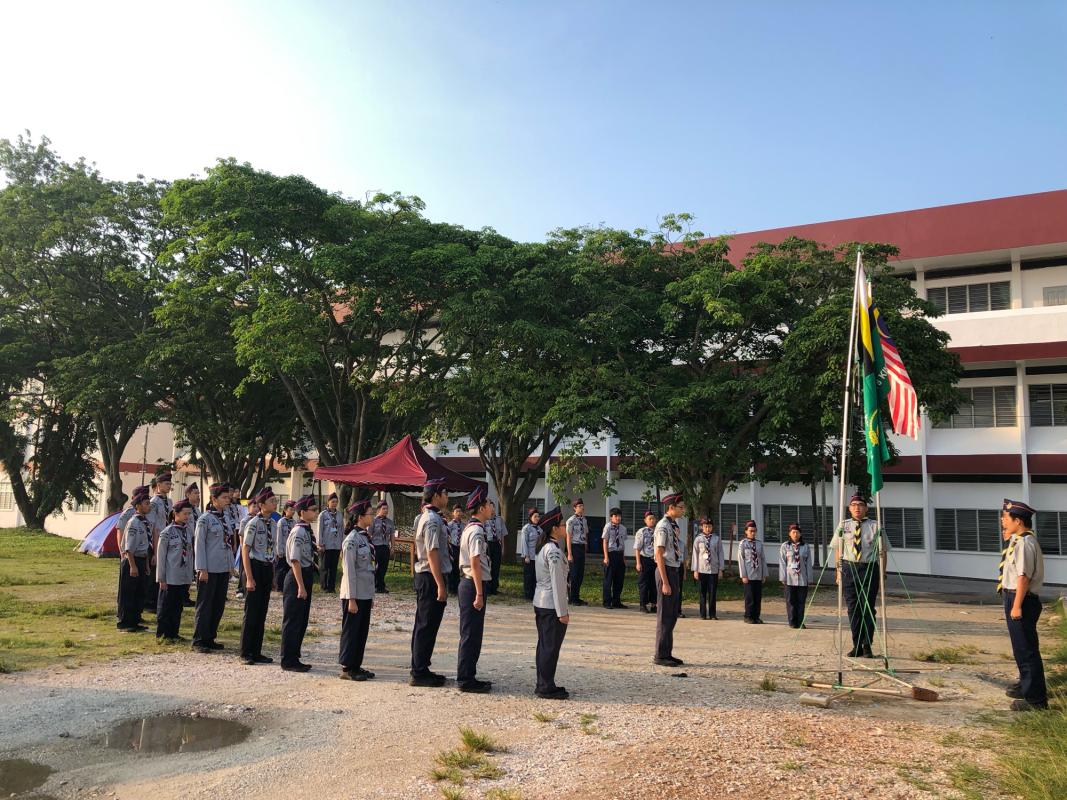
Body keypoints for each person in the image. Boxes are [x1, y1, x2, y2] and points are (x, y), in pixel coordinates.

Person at [998, 499, 1048, 712]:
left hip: (1022, 599)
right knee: (1020, 648)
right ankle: (1025, 685)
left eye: (1006, 518)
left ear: (1018, 521)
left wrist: (1016, 606)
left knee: (1027, 650)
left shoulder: (1025, 544)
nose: (1003, 521)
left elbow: (1023, 578)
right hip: (1014, 596)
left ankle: (1036, 700)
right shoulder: (1018, 540)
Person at [410, 478, 451, 687]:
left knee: (425, 624)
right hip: (430, 576)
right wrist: (440, 585)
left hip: (428, 574)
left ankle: (421, 667)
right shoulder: (433, 520)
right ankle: (419, 672)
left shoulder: (429, 517)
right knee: (426, 624)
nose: (447, 497)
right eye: (445, 493)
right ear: (435, 495)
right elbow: (432, 552)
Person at [832, 494, 885, 657]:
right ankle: (857, 645)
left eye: (861, 505)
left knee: (868, 608)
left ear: (866, 508)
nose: (857, 507)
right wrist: (838, 572)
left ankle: (867, 644)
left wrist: (882, 574)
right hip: (849, 569)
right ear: (849, 508)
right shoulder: (843, 525)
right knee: (853, 609)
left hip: (869, 569)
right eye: (854, 504)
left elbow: (883, 552)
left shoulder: (876, 526)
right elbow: (837, 549)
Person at [457, 486, 493, 693]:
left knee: (472, 632)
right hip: (473, 584)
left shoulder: (471, 528)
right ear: (480, 508)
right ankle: (466, 679)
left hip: (471, 583)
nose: (490, 508)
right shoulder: (476, 530)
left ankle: (468, 675)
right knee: (471, 634)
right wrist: (479, 593)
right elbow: (475, 562)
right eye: (488, 504)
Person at [532, 506, 570, 699]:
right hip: (550, 605)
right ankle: (545, 686)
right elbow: (557, 582)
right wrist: (562, 612)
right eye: (563, 525)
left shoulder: (547, 547)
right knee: (550, 646)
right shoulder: (552, 551)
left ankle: (544, 682)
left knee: (545, 644)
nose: (565, 528)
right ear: (555, 528)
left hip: (543, 602)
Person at [192, 484, 234, 653]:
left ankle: (210, 637)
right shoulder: (205, 519)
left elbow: (229, 544)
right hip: (208, 568)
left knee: (218, 605)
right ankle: (199, 639)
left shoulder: (226, 518)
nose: (227, 500)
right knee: (205, 604)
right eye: (224, 497)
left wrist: (231, 566)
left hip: (222, 567)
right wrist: (201, 568)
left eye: (228, 497)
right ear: (213, 499)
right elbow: (199, 545)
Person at [339, 499, 377, 681]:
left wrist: (370, 595)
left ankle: (356, 665)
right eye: (371, 513)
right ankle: (347, 668)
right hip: (353, 594)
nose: (373, 516)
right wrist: (351, 598)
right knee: (351, 631)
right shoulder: (352, 540)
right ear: (360, 517)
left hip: (364, 592)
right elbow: (349, 571)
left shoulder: (364, 537)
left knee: (361, 631)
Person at [239, 488, 277, 665]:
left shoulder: (273, 524)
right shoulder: (253, 523)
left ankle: (257, 650)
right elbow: (246, 550)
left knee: (262, 612)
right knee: (252, 612)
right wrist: (249, 577)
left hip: (267, 567)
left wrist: (274, 576)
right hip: (254, 567)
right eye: (271, 501)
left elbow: (273, 550)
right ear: (261, 505)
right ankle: (246, 651)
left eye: (275, 500)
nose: (275, 503)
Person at [281, 494, 317, 672]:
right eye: (313, 510)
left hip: (305, 574)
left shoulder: (307, 530)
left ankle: (295, 655)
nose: (316, 512)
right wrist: (301, 586)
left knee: (302, 620)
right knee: (293, 620)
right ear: (302, 512)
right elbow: (294, 560)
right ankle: (288, 659)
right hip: (296, 578)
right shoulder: (298, 532)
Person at [653, 493, 686, 666]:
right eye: (680, 507)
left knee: (672, 614)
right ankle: (660, 654)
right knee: (665, 614)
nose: (683, 510)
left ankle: (667, 652)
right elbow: (659, 554)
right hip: (665, 570)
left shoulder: (673, 525)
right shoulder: (663, 526)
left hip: (673, 570)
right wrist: (665, 582)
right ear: (671, 508)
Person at [156, 500, 194, 642]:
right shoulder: (167, 533)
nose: (187, 517)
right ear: (175, 514)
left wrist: (190, 575)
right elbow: (161, 557)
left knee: (178, 606)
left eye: (189, 514)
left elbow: (190, 554)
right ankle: (163, 633)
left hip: (182, 575)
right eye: (185, 514)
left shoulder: (188, 531)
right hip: (170, 575)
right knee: (166, 605)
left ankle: (174, 632)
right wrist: (161, 578)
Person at [117, 487, 152, 632]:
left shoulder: (145, 522)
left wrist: (147, 565)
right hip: (133, 560)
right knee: (129, 593)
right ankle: (125, 622)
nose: (148, 506)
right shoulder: (134, 523)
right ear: (138, 506)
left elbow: (147, 544)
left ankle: (135, 620)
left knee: (140, 592)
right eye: (146, 504)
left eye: (149, 503)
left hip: (142, 559)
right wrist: (132, 566)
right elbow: (128, 548)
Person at [779, 523, 813, 629]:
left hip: (802, 578)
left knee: (801, 601)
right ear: (789, 533)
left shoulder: (805, 546)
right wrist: (783, 577)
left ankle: (800, 621)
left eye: (797, 532)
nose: (795, 534)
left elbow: (808, 564)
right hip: (789, 578)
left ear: (800, 534)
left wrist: (809, 578)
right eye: (793, 532)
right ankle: (792, 621)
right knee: (791, 601)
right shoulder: (785, 546)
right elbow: (782, 562)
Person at [692, 517, 724, 620]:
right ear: (702, 527)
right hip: (701, 570)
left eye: (709, 526)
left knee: (712, 593)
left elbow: (720, 554)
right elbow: (695, 555)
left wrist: (720, 569)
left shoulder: (716, 539)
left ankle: (712, 614)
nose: (708, 528)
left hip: (713, 569)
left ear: (712, 527)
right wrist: (695, 570)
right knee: (702, 593)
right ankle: (702, 614)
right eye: (706, 526)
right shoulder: (698, 539)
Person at [738, 520, 767, 624]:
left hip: (758, 574)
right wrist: (743, 575)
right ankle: (748, 616)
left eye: (754, 531)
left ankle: (756, 616)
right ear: (746, 531)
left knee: (757, 597)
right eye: (750, 531)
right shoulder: (743, 544)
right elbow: (741, 560)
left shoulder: (759, 544)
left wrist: (764, 574)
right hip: (748, 575)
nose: (753, 533)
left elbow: (763, 559)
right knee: (749, 597)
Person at [601, 508, 628, 609]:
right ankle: (607, 601)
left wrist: (623, 557)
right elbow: (605, 542)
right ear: (611, 517)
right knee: (608, 579)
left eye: (619, 516)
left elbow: (622, 543)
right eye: (616, 516)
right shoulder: (607, 527)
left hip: (619, 554)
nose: (618, 518)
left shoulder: (623, 528)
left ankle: (616, 601)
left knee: (619, 579)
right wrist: (606, 557)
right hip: (610, 554)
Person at [565, 499, 589, 606]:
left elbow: (585, 533)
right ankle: (572, 598)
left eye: (582, 506)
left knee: (580, 574)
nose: (581, 508)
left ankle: (577, 597)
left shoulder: (584, 520)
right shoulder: (571, 521)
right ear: (574, 508)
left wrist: (585, 547)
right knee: (574, 574)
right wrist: (569, 553)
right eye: (579, 506)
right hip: (573, 547)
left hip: (581, 547)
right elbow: (568, 537)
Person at [318, 492, 343, 593]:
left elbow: (341, 529)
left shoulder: (340, 514)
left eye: (336, 502)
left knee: (333, 567)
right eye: (332, 502)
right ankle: (324, 586)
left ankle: (331, 587)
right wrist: (321, 544)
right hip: (326, 544)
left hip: (336, 544)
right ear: (328, 502)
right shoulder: (323, 515)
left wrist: (342, 543)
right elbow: (320, 530)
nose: (334, 504)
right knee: (325, 567)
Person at [634, 510, 658, 614]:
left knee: (655, 584)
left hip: (656, 560)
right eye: (650, 519)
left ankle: (654, 604)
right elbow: (638, 548)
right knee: (644, 583)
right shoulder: (641, 532)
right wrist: (638, 563)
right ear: (645, 520)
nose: (652, 521)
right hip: (645, 559)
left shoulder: (658, 531)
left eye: (653, 518)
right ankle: (642, 605)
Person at [369, 501, 395, 594]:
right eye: (383, 509)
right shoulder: (373, 521)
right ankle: (375, 585)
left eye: (386, 508)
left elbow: (392, 535)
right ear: (378, 510)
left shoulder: (389, 522)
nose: (385, 510)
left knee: (384, 567)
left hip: (385, 546)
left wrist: (392, 547)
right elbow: (369, 534)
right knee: (377, 567)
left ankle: (381, 586)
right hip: (376, 546)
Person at [182, 483, 201, 607]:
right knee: (183, 569)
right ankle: (181, 595)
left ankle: (186, 595)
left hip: (194, 542)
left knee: (190, 571)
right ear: (188, 494)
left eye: (199, 493)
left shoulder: (197, 509)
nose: (198, 495)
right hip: (185, 541)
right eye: (195, 493)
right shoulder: (182, 508)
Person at [484, 505, 507, 595]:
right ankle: (487, 588)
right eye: (490, 507)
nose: (492, 509)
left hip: (497, 543)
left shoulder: (499, 519)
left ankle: (494, 588)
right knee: (488, 566)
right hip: (488, 544)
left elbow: (503, 535)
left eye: (493, 507)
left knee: (496, 567)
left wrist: (503, 548)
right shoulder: (485, 520)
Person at [274, 499, 296, 591]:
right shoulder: (281, 522)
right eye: (291, 509)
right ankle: (279, 586)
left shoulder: (294, 522)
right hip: (282, 550)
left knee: (288, 569)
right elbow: (278, 537)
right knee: (281, 570)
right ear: (285, 510)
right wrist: (279, 551)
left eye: (294, 510)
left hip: (290, 551)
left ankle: (287, 586)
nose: (293, 511)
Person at [520, 509, 541, 601]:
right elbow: (524, 543)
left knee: (536, 577)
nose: (537, 518)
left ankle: (535, 594)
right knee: (529, 576)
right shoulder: (526, 528)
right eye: (535, 516)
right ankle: (528, 595)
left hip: (538, 556)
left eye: (538, 516)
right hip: (529, 556)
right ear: (530, 517)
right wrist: (526, 556)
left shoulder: (540, 528)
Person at [446, 505, 464, 594]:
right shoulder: (449, 525)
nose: (459, 513)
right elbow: (446, 536)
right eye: (456, 511)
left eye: (460, 511)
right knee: (451, 567)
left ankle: (457, 587)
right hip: (452, 547)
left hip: (460, 548)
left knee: (458, 568)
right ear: (453, 513)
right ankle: (450, 588)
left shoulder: (464, 525)